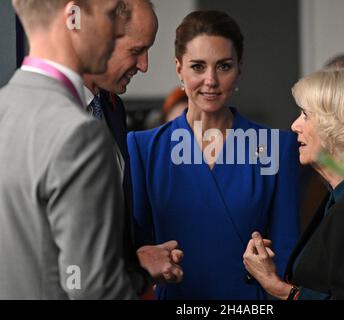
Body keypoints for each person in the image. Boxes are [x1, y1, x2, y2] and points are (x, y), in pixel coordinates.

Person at [127, 10, 301, 299]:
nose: (211, 80)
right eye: (198, 66)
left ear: (239, 69)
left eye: (223, 66)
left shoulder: (276, 147)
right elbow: (138, 255)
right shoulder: (144, 149)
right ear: (179, 68)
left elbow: (286, 255)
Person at [0, 0, 138, 299]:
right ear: (73, 16)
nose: (117, 30)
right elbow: (93, 289)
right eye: (110, 14)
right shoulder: (80, 134)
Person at [243, 65, 344, 300]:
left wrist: (277, 287)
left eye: (305, 115)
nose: (294, 126)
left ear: (337, 125)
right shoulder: (342, 196)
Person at [83, 0, 183, 296]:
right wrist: (132, 264)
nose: (144, 65)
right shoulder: (48, 113)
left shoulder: (112, 109)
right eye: (136, 51)